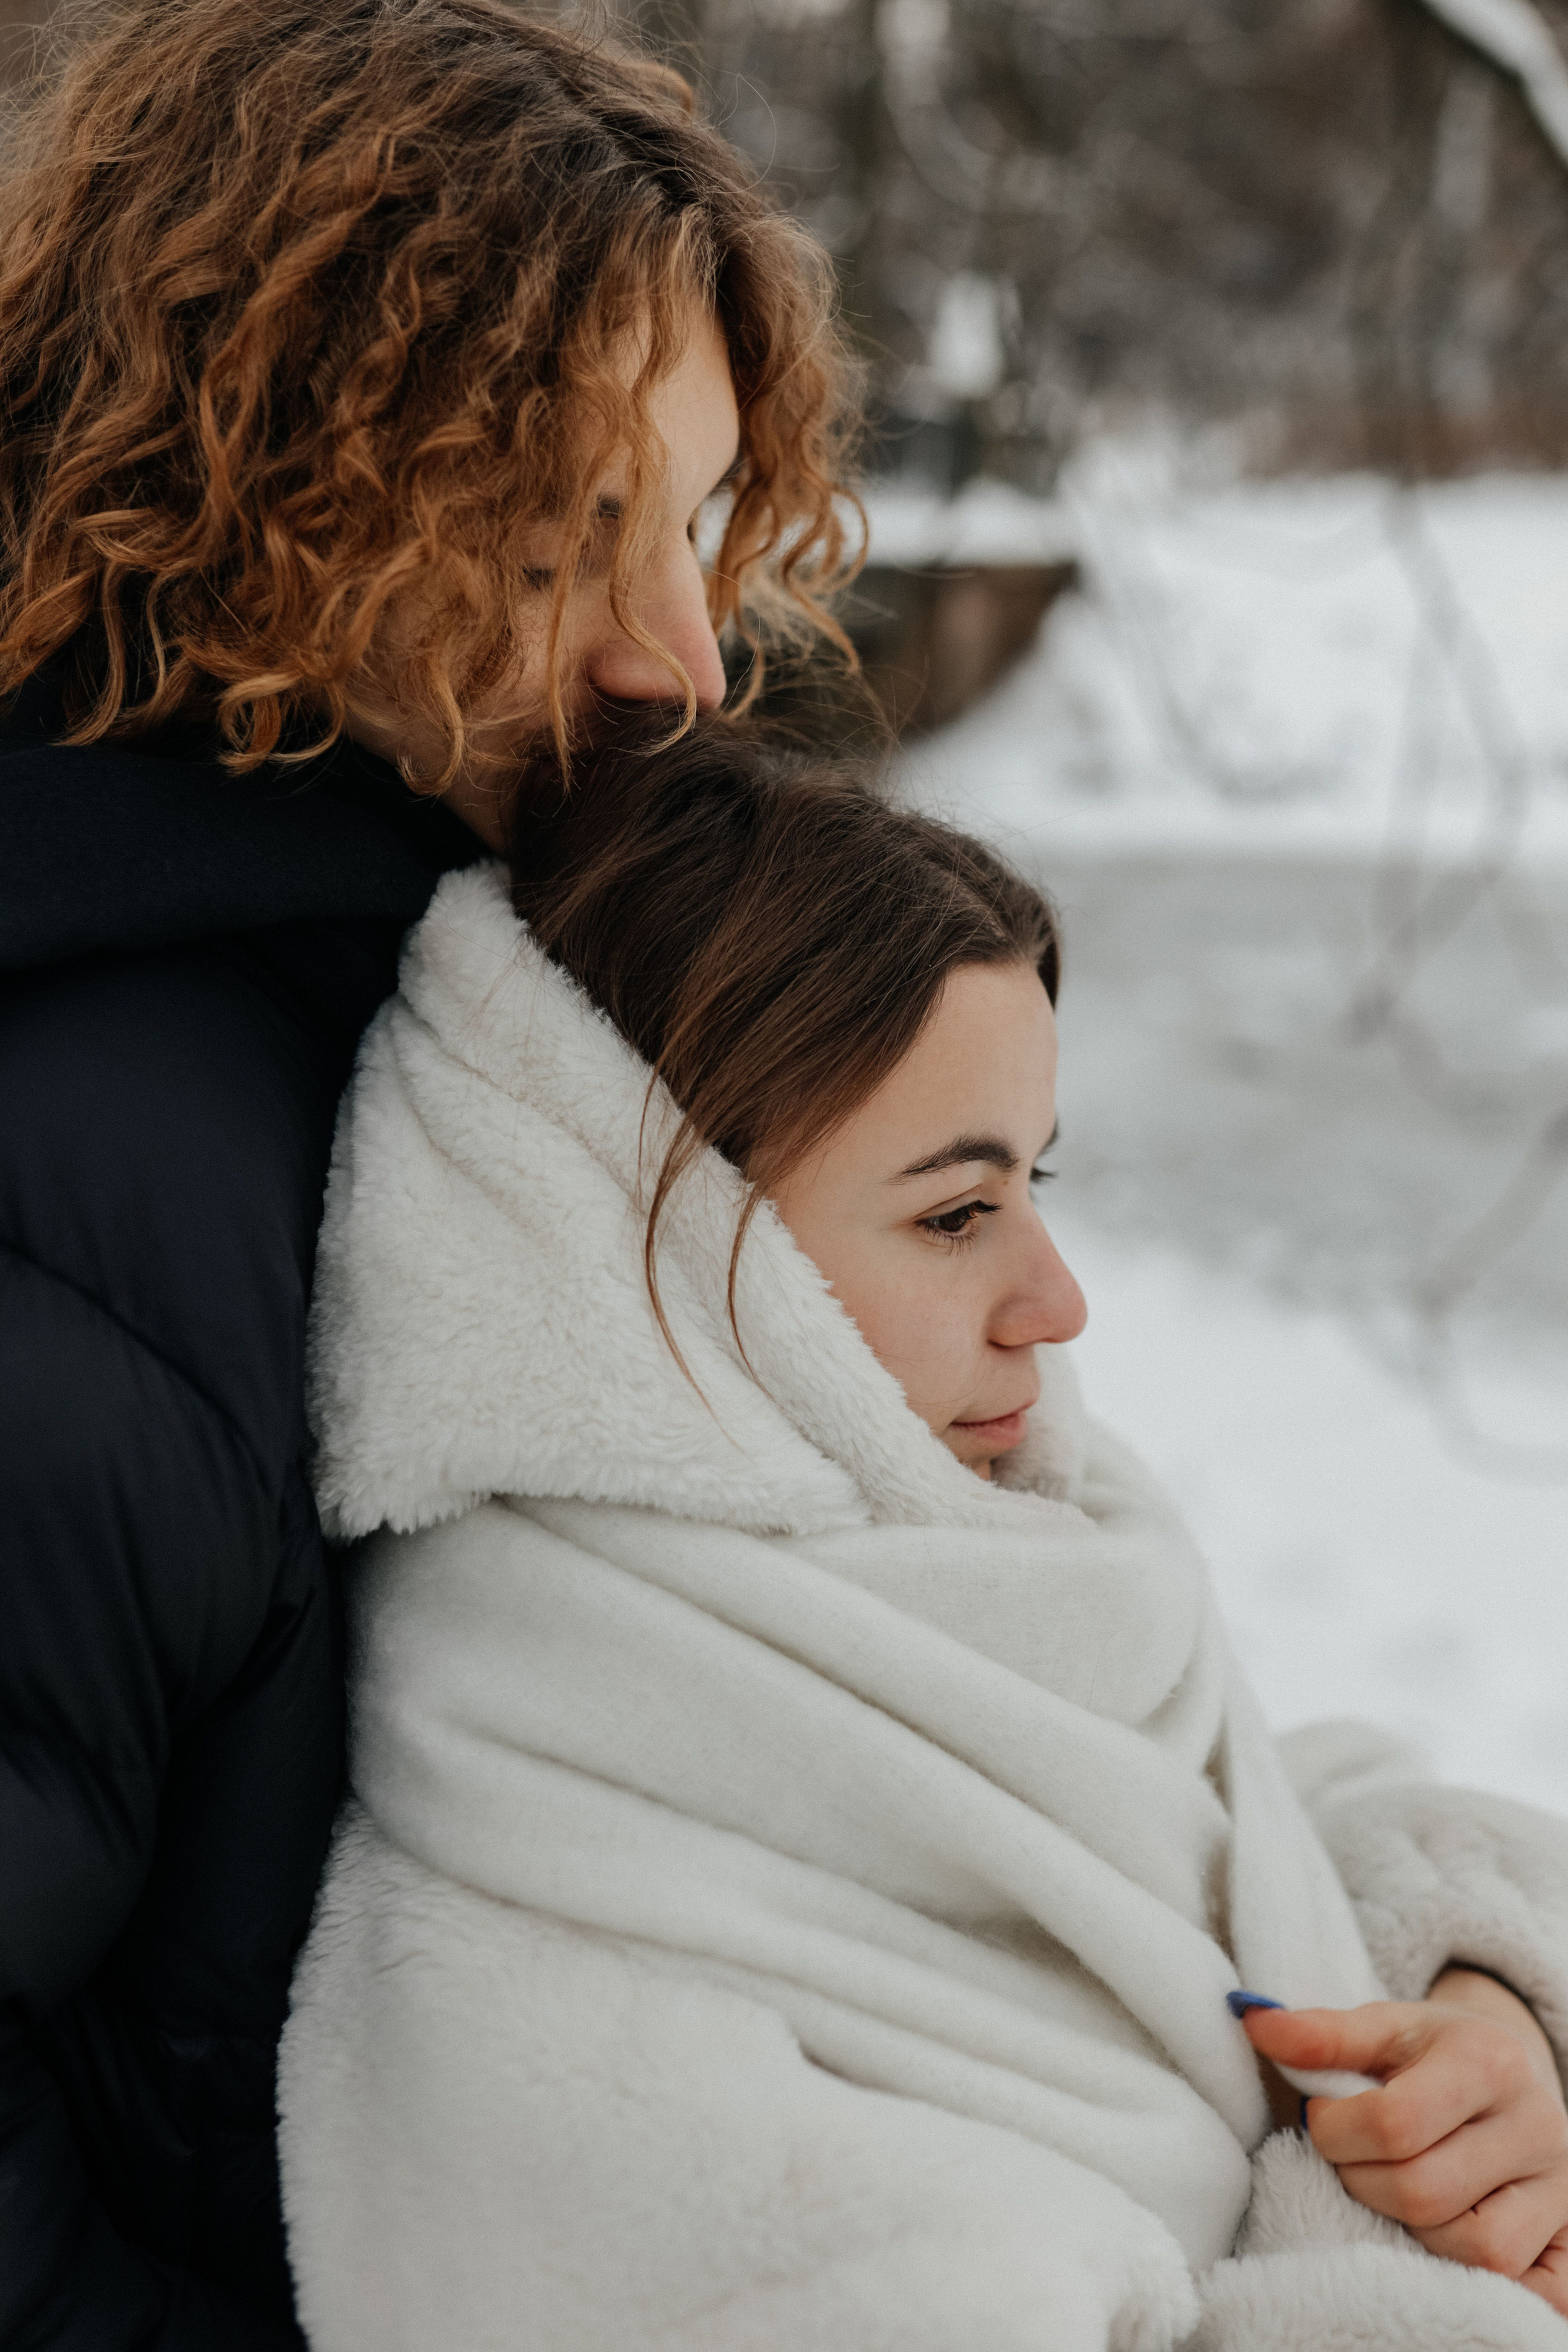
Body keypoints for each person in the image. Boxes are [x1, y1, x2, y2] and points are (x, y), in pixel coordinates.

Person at [282, 722, 1568, 2351]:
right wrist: (1440, 2268)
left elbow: (1222, 1832)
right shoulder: (555, 1984)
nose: (1059, 1301)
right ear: (659, 1248)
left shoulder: (998, 1566)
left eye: (1038, 1183)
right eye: (958, 1213)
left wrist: (1475, 2011)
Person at [0, 1, 856, 2341]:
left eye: (694, 521)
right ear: (276, 490)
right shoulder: (110, 1170)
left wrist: (1430, 1944)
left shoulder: (493, 1022)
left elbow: (957, 1635)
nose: (688, 657)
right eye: (580, 533)